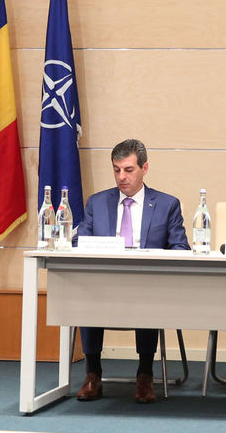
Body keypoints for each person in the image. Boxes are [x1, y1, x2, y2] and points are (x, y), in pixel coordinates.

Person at [74, 139, 189, 403]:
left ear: (144, 168)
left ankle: (145, 374)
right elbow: (80, 241)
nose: (122, 177)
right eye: (116, 170)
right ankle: (93, 374)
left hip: (146, 283)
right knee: (86, 293)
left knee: (145, 294)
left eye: (128, 170)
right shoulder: (97, 202)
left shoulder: (167, 204)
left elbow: (181, 247)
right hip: (104, 282)